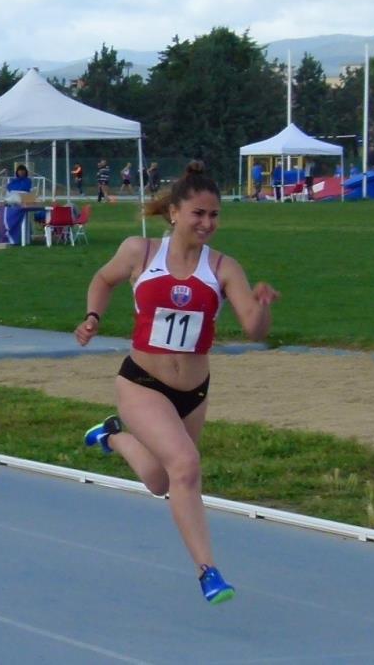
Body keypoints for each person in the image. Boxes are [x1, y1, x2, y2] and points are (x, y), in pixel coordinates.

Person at [75, 160, 279, 604]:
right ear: (174, 213)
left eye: (214, 215)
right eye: (198, 213)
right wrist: (92, 317)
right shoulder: (140, 252)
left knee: (159, 481)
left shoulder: (223, 267)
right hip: (142, 383)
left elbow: (254, 329)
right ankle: (209, 572)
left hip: (193, 393)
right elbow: (103, 279)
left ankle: (112, 437)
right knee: (185, 465)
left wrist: (262, 306)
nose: (207, 223)